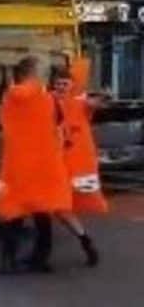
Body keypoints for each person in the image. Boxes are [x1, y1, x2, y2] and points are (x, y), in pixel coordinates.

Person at [0, 56, 72, 274]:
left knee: (13, 213)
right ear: (33, 73)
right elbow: (58, 128)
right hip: (43, 164)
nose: (46, 74)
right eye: (43, 70)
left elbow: (3, 127)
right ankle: (39, 259)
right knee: (42, 213)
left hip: (16, 164)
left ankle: (8, 260)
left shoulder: (9, 97)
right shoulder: (46, 98)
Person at [52, 62, 107, 267]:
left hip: (78, 164)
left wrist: (96, 96)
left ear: (72, 85)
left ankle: (84, 240)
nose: (61, 88)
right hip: (56, 164)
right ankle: (84, 238)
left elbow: (97, 104)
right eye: (58, 84)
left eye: (65, 84)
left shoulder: (79, 103)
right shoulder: (48, 101)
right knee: (59, 207)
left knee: (70, 203)